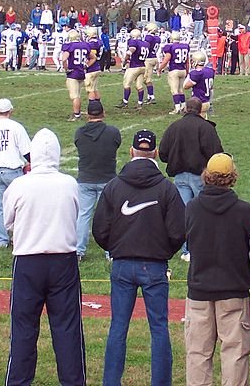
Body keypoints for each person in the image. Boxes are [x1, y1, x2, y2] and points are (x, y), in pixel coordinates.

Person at [92, 129, 186, 386]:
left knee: (118, 327)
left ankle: (111, 382)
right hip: (154, 266)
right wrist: (163, 252)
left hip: (122, 264)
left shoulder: (114, 186)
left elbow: (99, 229)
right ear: (155, 153)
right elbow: (179, 231)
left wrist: (115, 248)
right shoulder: (167, 188)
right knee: (158, 329)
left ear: (131, 151)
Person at [2, 128, 86, 386]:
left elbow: (7, 222)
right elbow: (76, 213)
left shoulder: (20, 185)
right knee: (68, 329)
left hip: (29, 260)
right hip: (63, 260)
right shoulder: (69, 183)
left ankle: (18, 381)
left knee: (24, 329)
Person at [184, 153, 250, 386]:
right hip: (233, 290)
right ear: (232, 178)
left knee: (198, 352)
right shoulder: (245, 211)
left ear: (207, 177)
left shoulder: (192, 208)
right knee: (235, 353)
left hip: (200, 290)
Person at [158, 97, 223, 260]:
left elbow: (163, 152)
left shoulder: (174, 127)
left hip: (179, 175)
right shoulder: (206, 128)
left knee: (184, 213)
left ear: (185, 109)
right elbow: (216, 154)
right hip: (200, 176)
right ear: (201, 110)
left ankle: (186, 250)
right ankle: (199, 248)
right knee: (202, 212)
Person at [0, 98, 31, 249]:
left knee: (0, 206)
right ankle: (18, 238)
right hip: (13, 171)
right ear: (10, 111)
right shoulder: (16, 127)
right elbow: (27, 151)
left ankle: (2, 239)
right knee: (19, 207)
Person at [74, 100, 121, 260]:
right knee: (109, 217)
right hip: (107, 179)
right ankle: (110, 252)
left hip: (86, 178)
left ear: (87, 115)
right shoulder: (113, 132)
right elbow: (116, 146)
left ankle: (79, 250)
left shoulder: (79, 133)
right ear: (103, 113)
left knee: (83, 214)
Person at [61, 29, 91, 121]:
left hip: (73, 73)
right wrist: (86, 66)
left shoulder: (69, 46)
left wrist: (66, 69)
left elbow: (63, 59)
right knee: (77, 95)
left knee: (75, 96)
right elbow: (93, 58)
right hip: (81, 72)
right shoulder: (85, 45)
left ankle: (76, 115)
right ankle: (77, 112)